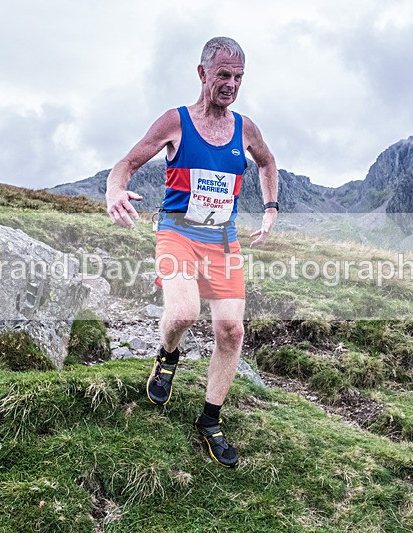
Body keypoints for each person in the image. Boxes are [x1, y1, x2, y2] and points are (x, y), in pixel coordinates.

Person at [105, 36, 279, 468]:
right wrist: (114, 191)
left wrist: (271, 208)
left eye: (239, 77)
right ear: (202, 74)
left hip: (222, 240)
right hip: (178, 232)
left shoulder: (246, 128)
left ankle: (209, 420)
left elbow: (267, 163)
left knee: (231, 331)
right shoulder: (175, 122)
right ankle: (167, 355)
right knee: (183, 313)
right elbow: (126, 163)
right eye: (224, 74)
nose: (232, 84)